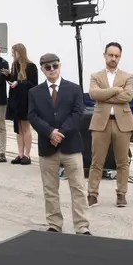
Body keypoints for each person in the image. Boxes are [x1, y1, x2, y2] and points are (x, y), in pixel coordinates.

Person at [28, 53, 89, 235]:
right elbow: (32, 116)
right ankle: (54, 224)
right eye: (48, 67)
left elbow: (78, 113)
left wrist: (60, 132)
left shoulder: (74, 89)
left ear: (60, 66)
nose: (52, 70)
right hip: (48, 148)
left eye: (55, 66)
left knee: (78, 187)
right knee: (50, 188)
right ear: (42, 69)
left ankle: (82, 226)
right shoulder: (34, 92)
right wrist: (49, 133)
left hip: (70, 145)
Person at [86, 43, 133, 208]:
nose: (113, 58)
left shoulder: (128, 76)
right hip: (101, 123)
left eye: (116, 56)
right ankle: (92, 194)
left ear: (120, 57)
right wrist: (116, 90)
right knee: (96, 161)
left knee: (122, 162)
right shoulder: (96, 76)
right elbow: (94, 94)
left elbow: (128, 96)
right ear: (105, 55)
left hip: (122, 124)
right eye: (111, 55)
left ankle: (121, 194)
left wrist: (105, 95)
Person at [6, 43, 38, 166]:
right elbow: (13, 80)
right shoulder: (14, 65)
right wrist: (7, 76)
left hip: (25, 100)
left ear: (20, 52)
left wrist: (19, 83)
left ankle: (27, 154)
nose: (12, 54)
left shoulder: (31, 66)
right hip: (15, 100)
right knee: (18, 128)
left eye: (14, 52)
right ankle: (20, 153)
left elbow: (33, 84)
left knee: (25, 127)